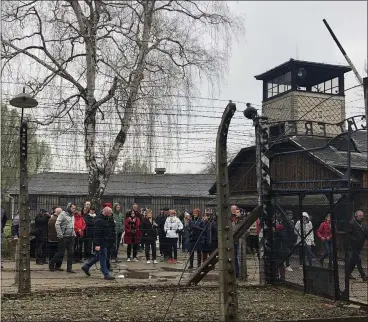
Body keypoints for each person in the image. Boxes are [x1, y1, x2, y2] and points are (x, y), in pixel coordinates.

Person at [81, 206, 115, 280]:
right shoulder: (99, 221)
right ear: (105, 212)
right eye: (110, 213)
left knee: (98, 256)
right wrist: (97, 244)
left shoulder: (106, 219)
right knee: (103, 257)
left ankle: (86, 266)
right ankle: (106, 274)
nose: (111, 214)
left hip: (105, 241)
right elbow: (96, 233)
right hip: (101, 241)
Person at [49, 203, 76, 273]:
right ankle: (51, 263)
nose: (74, 210)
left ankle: (69, 268)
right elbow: (57, 224)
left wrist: (73, 232)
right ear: (69, 208)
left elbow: (72, 225)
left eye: (74, 208)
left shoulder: (72, 216)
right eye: (73, 208)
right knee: (61, 252)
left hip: (71, 237)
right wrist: (60, 234)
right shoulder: (63, 214)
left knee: (71, 252)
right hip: (63, 237)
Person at [347, 210, 368, 281]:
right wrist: (354, 240)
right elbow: (348, 235)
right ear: (356, 216)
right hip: (353, 246)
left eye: (362, 215)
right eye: (360, 216)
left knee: (353, 260)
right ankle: (363, 275)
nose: (362, 217)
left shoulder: (364, 226)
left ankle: (348, 273)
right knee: (358, 260)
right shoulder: (351, 224)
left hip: (359, 247)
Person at [232, 207, 243, 278]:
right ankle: (235, 272)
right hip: (232, 241)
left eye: (238, 212)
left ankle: (238, 273)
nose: (236, 213)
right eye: (236, 212)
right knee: (233, 257)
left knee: (238, 257)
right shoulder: (232, 221)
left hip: (239, 241)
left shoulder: (242, 221)